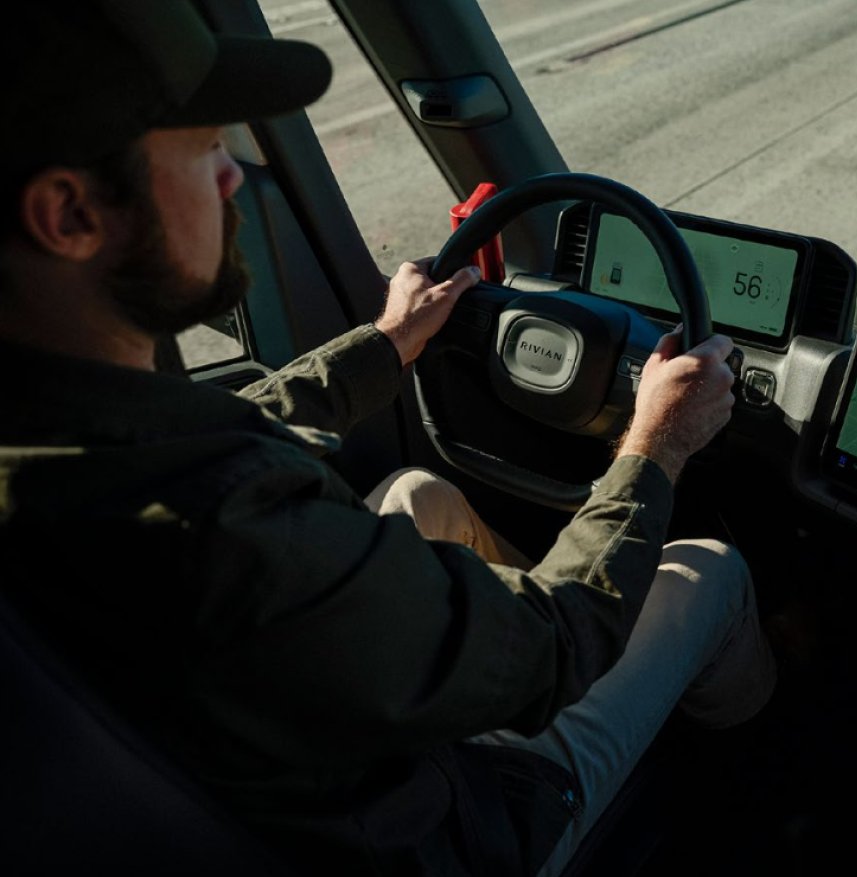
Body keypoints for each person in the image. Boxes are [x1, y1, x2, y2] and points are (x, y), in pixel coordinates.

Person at [0, 2, 776, 875]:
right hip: (454, 823)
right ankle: (758, 784)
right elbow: (553, 649)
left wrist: (388, 344)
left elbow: (234, 428)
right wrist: (655, 445)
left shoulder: (56, 446)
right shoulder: (229, 535)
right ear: (68, 215)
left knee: (419, 495)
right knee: (708, 568)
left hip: (291, 761)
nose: (228, 178)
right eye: (205, 145)